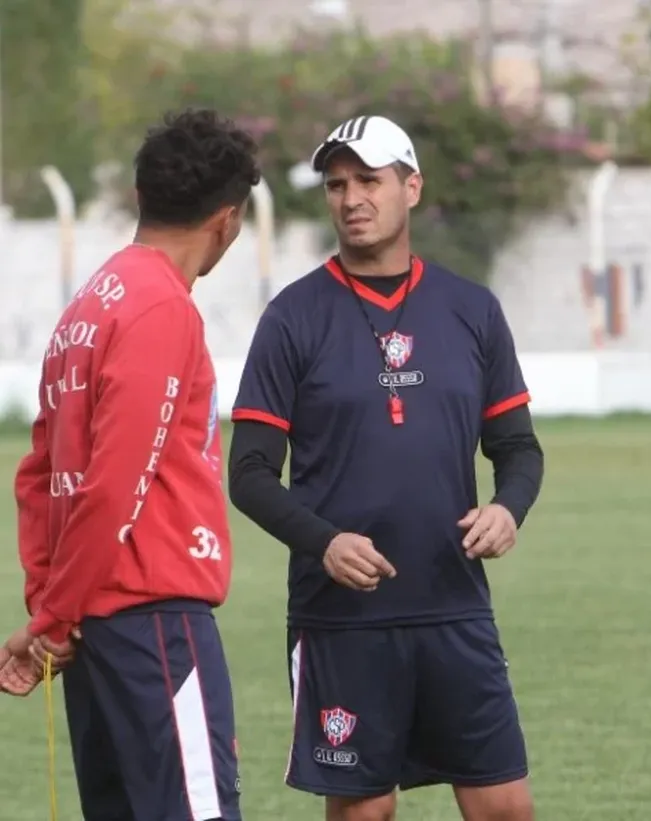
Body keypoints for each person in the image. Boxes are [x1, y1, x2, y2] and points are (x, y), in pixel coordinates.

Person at [227, 114, 544, 821]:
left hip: (454, 604)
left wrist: (507, 507)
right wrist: (324, 541)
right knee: (365, 812)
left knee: (504, 805)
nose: (350, 198)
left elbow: (519, 448)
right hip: (342, 620)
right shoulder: (292, 317)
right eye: (336, 184)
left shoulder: (472, 309)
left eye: (369, 180)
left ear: (412, 187)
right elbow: (247, 471)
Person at [0, 108, 260, 821]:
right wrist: (55, 615)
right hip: (153, 624)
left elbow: (39, 476)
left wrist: (51, 605)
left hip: (92, 627)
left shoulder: (87, 306)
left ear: (141, 197)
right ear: (228, 221)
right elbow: (115, 484)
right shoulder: (160, 309)